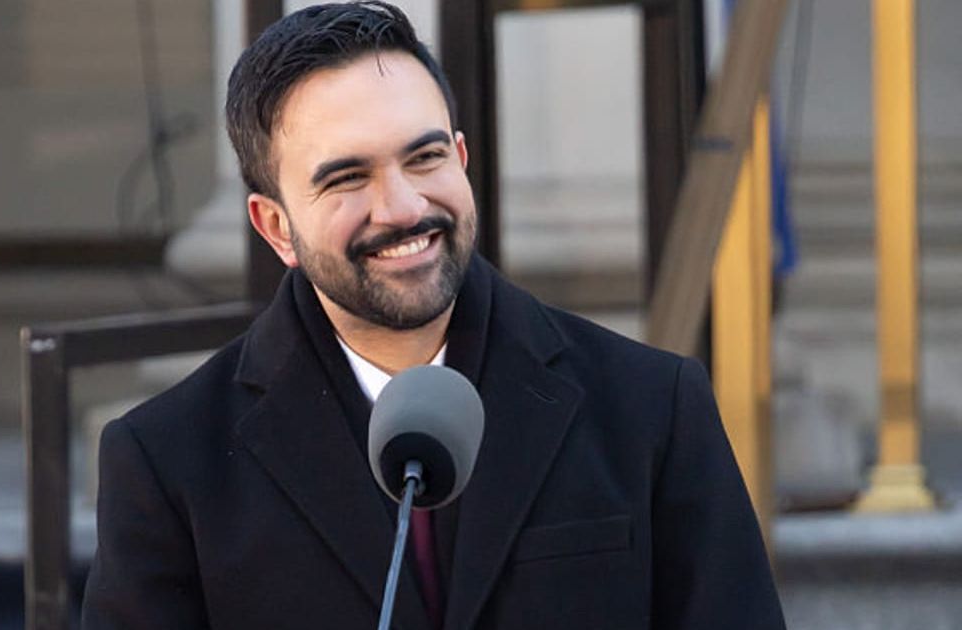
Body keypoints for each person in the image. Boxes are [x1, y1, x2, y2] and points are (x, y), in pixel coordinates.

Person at [80, 2, 786, 629]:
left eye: (424, 158)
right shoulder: (168, 462)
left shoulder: (651, 408)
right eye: (347, 178)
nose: (403, 207)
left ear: (462, 158)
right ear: (275, 227)